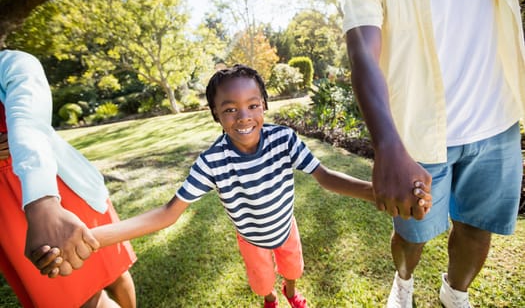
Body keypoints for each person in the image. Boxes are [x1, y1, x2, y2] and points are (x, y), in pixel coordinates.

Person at [37, 64, 431, 308]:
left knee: (292, 267)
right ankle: (271, 300)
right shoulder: (212, 160)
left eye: (253, 105)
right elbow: (167, 214)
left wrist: (376, 192)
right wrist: (92, 237)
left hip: (286, 228)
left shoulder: (285, 140)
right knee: (263, 281)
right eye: (230, 109)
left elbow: (325, 178)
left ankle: (291, 292)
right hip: (252, 240)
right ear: (215, 114)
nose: (243, 116)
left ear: (264, 105)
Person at [343, 0, 524, 307]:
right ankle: (404, 281)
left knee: (476, 228)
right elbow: (363, 52)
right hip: (417, 139)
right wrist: (388, 145)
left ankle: (455, 293)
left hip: (497, 127)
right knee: (412, 235)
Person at [0, 49, 137, 308]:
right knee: (80, 296)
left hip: (62, 183)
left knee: (115, 269)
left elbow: (27, 122)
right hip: (8, 211)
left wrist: (42, 203)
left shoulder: (10, 63)